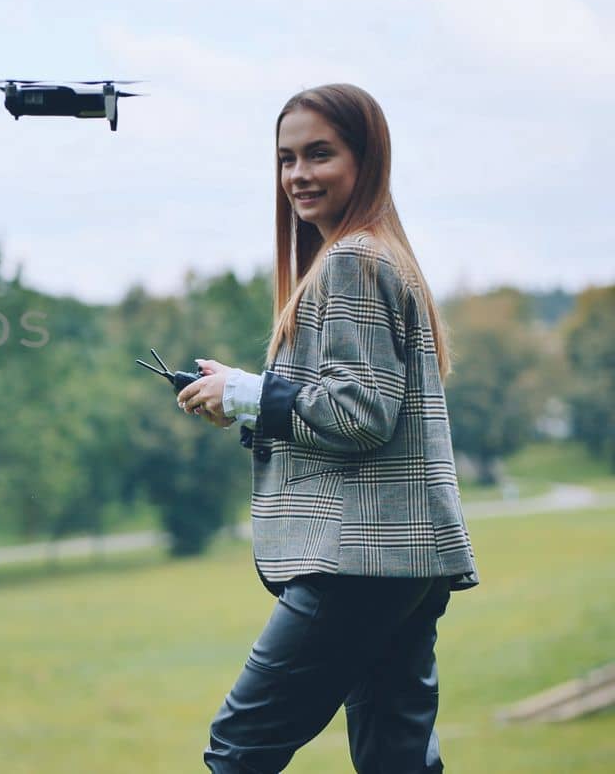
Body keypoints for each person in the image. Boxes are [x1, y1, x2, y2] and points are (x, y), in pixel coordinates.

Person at [175, 83, 480, 773]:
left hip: (359, 560)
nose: (298, 175)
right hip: (402, 561)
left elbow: (359, 412)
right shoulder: (374, 255)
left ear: (365, 160)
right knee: (394, 757)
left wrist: (249, 395)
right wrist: (242, 391)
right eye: (286, 159)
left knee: (239, 749)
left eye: (319, 154)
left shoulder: (353, 259)